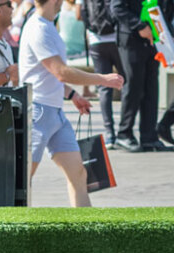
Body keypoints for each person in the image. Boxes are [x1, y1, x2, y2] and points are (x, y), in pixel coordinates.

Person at [20, 0, 124, 207]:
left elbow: (47, 74)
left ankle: (84, 230)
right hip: (38, 112)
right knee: (23, 177)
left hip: (54, 112)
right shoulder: (38, 28)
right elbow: (60, 71)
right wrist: (102, 79)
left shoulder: (47, 25)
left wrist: (72, 95)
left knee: (78, 173)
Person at [110, 0, 174, 151]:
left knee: (151, 87)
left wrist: (168, 35)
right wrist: (139, 26)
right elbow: (117, 7)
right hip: (131, 38)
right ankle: (124, 134)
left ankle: (149, 137)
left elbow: (168, 8)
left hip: (155, 39)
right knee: (133, 85)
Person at [83, 0, 124, 147]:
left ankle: (109, 134)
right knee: (124, 83)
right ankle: (124, 132)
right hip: (117, 39)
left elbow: (82, 14)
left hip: (96, 40)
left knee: (104, 88)